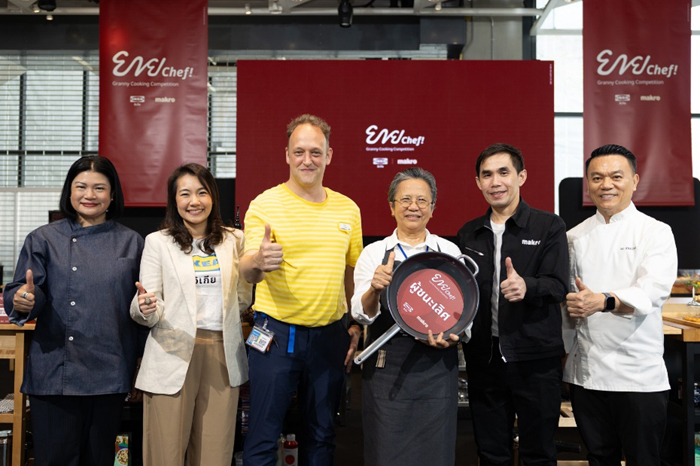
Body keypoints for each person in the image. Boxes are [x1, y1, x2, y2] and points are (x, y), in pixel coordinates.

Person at [2, 155, 143, 466]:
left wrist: (139, 364)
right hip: (56, 370)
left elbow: (139, 311)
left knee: (100, 460)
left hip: (110, 370)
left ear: (113, 195)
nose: (89, 195)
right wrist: (23, 299)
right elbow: (25, 290)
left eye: (99, 188)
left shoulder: (132, 243)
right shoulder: (43, 238)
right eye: (81, 186)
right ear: (69, 191)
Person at [240, 114, 363, 466]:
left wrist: (355, 323)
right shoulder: (264, 205)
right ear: (287, 155)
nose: (307, 160)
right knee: (263, 436)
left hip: (329, 337)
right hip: (276, 336)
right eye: (299, 152)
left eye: (315, 152)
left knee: (322, 437)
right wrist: (258, 260)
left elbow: (351, 273)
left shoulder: (348, 209)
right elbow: (246, 268)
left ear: (329, 156)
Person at [129, 163, 252, 466]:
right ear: (174, 200)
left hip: (223, 355)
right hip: (171, 352)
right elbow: (148, 301)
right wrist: (144, 307)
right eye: (185, 194)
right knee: (165, 453)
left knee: (215, 453)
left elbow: (242, 297)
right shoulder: (158, 242)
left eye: (202, 192)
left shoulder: (235, 240)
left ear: (213, 197)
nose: (194, 201)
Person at [564, 144, 677, 466]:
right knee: (599, 458)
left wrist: (604, 300)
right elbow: (568, 303)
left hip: (639, 374)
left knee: (644, 459)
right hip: (587, 374)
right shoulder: (573, 237)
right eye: (597, 177)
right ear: (588, 183)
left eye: (616, 176)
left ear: (635, 180)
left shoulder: (656, 232)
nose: (606, 185)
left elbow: (653, 290)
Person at [457, 143, 569, 466]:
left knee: (539, 453)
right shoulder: (468, 233)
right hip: (484, 359)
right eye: (487, 175)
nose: (495, 182)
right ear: (478, 182)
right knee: (491, 453)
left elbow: (558, 285)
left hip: (536, 358)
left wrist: (527, 286)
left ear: (521, 177)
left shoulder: (549, 226)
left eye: (503, 172)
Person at [351, 167, 465, 465]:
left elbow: (463, 315)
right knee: (385, 453)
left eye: (422, 200)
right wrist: (375, 289)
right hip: (387, 367)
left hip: (436, 368)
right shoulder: (374, 253)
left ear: (432, 208)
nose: (413, 206)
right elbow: (361, 314)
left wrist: (452, 337)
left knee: (436, 455)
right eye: (405, 200)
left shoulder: (449, 251)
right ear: (392, 206)